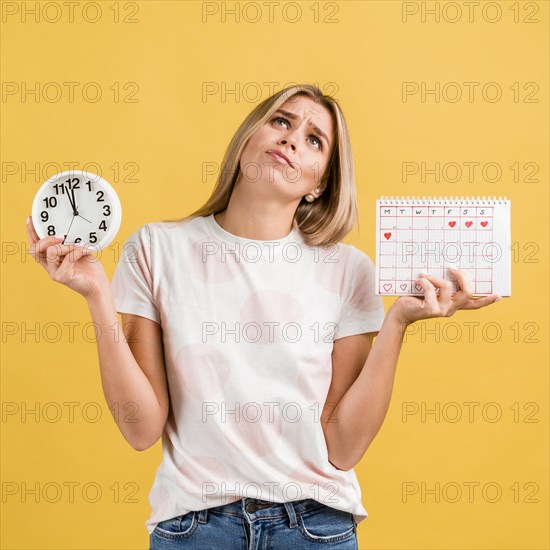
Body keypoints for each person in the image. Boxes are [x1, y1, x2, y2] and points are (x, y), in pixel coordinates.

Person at [26, 84, 501, 549]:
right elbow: (140, 428)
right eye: (281, 121)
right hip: (195, 529)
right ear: (247, 139)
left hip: (316, 529)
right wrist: (96, 297)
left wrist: (397, 322)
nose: (293, 139)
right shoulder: (155, 249)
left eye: (315, 140)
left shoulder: (348, 271)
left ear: (320, 183)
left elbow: (343, 447)